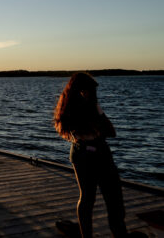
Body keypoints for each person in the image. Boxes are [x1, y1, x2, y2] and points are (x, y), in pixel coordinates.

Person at [53, 72, 131, 238]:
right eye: (92, 91)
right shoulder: (84, 108)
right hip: (92, 154)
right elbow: (110, 131)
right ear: (83, 91)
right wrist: (96, 109)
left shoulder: (76, 107)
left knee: (94, 198)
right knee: (104, 198)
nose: (95, 95)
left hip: (87, 152)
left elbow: (108, 132)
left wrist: (96, 109)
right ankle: (110, 234)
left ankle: (94, 234)